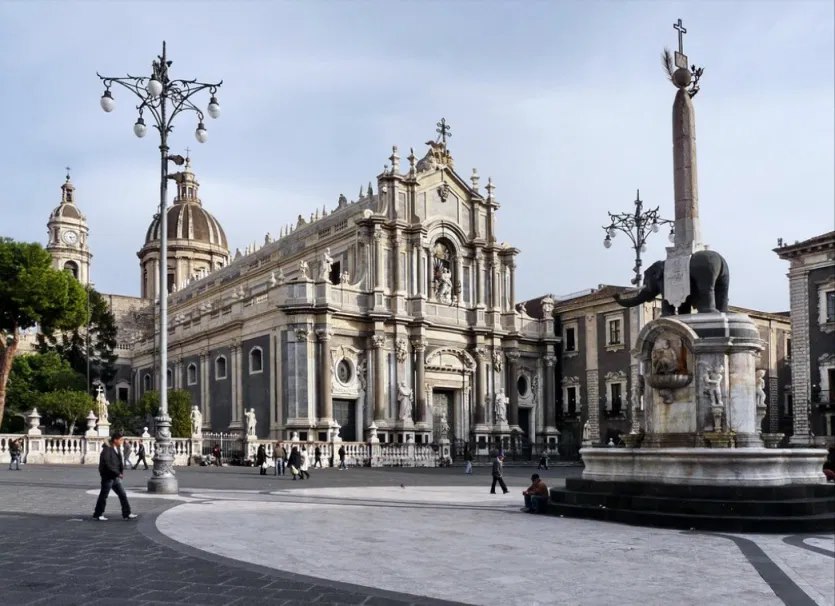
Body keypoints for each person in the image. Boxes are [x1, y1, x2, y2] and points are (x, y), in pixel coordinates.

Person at [93, 432, 137, 521]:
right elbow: (108, 464)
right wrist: (118, 473)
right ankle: (98, 514)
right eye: (120, 440)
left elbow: (118, 462)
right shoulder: (107, 450)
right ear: (115, 440)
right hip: (108, 477)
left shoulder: (116, 448)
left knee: (122, 494)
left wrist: (120, 472)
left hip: (115, 477)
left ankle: (127, 513)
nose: (122, 441)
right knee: (104, 495)